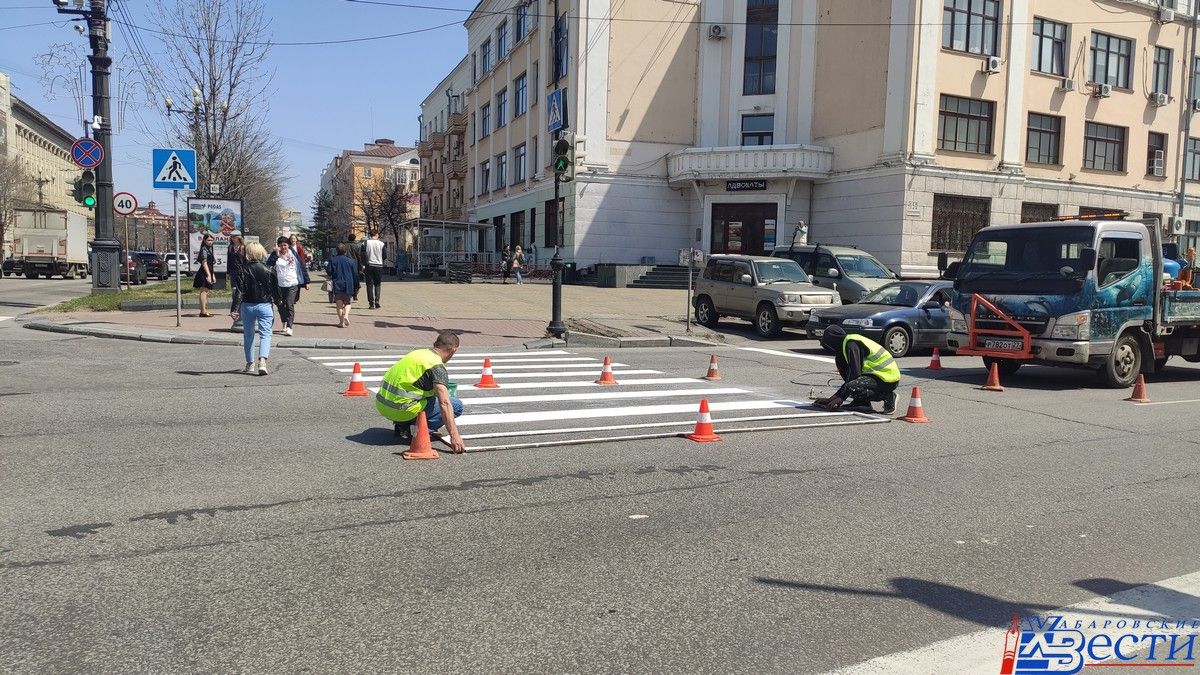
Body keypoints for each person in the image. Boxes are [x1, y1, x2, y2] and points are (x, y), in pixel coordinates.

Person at [375, 331, 466, 454]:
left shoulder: (417, 353)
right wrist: (454, 436)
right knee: (456, 406)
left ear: (435, 344)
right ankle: (412, 429)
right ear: (454, 350)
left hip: (383, 406)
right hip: (402, 410)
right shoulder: (436, 366)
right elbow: (444, 403)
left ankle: (403, 424)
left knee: (430, 396)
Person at [812, 325, 901, 414]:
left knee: (850, 387)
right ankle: (861, 402)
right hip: (875, 376)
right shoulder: (845, 347)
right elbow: (851, 376)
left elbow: (854, 374)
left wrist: (841, 398)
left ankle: (888, 396)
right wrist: (832, 398)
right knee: (841, 365)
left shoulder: (851, 344)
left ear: (832, 341)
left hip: (887, 378)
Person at [231, 242, 277, 375]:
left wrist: (234, 309)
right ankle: (262, 361)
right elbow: (276, 291)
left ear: (248, 253)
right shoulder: (269, 269)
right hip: (265, 305)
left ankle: (250, 363)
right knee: (266, 333)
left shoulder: (243, 270)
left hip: (247, 305)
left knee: (248, 334)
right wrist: (281, 305)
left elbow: (239, 291)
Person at [266, 236, 310, 336]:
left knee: (289, 304)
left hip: (292, 282)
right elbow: (268, 266)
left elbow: (301, 266)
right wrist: (276, 255)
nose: (283, 247)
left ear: (288, 245)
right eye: (281, 245)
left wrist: (306, 281)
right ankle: (284, 322)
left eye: (285, 245)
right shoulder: (274, 254)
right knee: (280, 305)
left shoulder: (293, 254)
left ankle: (290, 327)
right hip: (279, 284)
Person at [329, 243, 360, 327]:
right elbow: (355, 274)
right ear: (345, 251)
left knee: (339, 304)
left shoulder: (333, 260)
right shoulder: (351, 261)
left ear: (336, 250)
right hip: (348, 284)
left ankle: (341, 322)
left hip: (337, 283)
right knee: (348, 302)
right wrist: (357, 285)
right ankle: (346, 315)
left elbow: (329, 271)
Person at [193, 233, 216, 317]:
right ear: (204, 240)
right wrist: (208, 275)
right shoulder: (204, 249)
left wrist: (212, 275)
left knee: (206, 291)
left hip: (208, 272)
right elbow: (204, 263)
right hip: (203, 273)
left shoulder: (210, 249)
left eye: (211, 240)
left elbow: (211, 265)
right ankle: (203, 311)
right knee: (204, 291)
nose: (210, 242)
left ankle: (204, 309)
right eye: (208, 240)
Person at [227, 235, 246, 330]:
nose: (233, 239)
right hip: (233, 271)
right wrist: (228, 272)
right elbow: (228, 260)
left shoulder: (243, 248)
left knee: (240, 289)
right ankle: (235, 308)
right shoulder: (230, 247)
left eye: (235, 237)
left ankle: (238, 309)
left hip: (241, 270)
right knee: (234, 290)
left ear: (239, 238)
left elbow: (245, 260)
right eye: (232, 237)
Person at [363, 230, 385, 309]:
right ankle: (377, 301)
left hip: (369, 265)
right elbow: (384, 256)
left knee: (369, 285)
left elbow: (362, 254)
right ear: (376, 235)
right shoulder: (381, 244)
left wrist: (364, 264)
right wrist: (380, 260)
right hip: (379, 266)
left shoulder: (366, 243)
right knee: (377, 284)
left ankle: (371, 303)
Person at [347, 233, 365, 301]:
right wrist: (360, 267)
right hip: (355, 265)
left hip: (347, 264)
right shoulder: (357, 246)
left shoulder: (345, 246)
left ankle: (348, 294)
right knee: (356, 280)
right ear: (354, 239)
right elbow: (359, 256)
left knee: (348, 279)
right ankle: (355, 295)